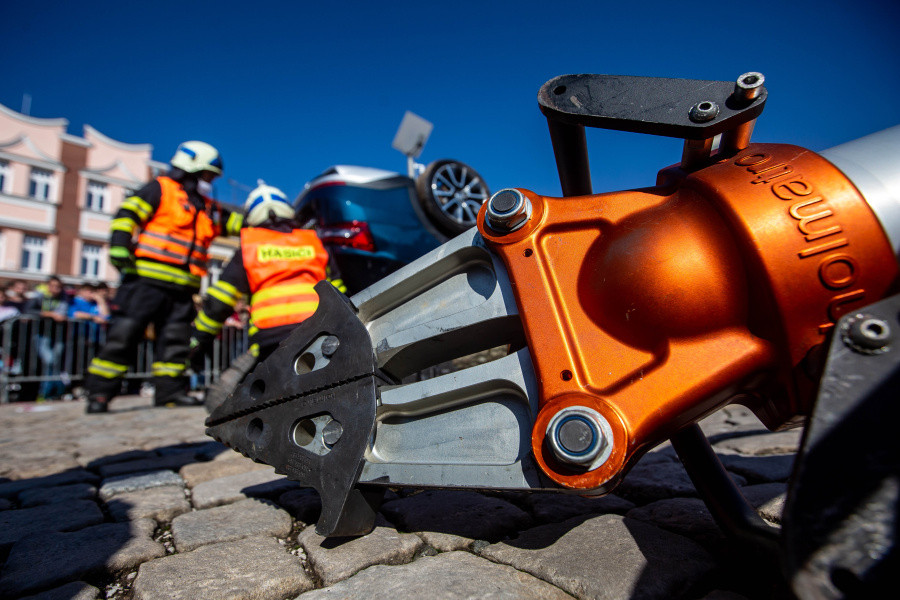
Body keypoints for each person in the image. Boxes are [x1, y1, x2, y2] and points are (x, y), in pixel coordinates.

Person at [83, 141, 243, 414]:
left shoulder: (208, 208)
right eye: (207, 175)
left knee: (175, 343)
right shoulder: (159, 189)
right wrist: (120, 245)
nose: (209, 182)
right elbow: (127, 214)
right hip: (145, 282)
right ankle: (99, 394)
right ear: (191, 169)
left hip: (183, 289)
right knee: (124, 336)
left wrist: (270, 219)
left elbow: (238, 224)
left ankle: (170, 393)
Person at [190, 181, 345, 412]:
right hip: (318, 329)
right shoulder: (312, 240)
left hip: (270, 339)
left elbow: (220, 300)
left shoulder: (250, 245)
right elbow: (338, 289)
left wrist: (199, 340)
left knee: (270, 397)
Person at [23, 275, 70, 401]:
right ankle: (45, 392)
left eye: (58, 287)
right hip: (41, 332)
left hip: (57, 333)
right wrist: (49, 314)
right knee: (49, 361)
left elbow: (66, 311)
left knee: (56, 362)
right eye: (53, 286)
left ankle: (54, 392)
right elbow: (28, 310)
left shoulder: (63, 297)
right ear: (47, 286)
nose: (56, 289)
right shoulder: (38, 296)